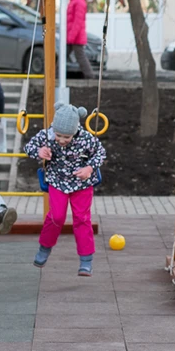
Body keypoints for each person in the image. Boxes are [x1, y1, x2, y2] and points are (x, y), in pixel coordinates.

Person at [25, 102, 107, 276]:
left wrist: (89, 169)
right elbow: (29, 147)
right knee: (57, 216)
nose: (61, 140)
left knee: (82, 218)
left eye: (66, 137)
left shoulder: (86, 138)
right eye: (58, 135)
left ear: (75, 130)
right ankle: (44, 248)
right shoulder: (47, 135)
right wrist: (39, 152)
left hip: (82, 183)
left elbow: (100, 153)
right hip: (57, 181)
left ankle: (86, 260)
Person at [67, 0, 96, 80]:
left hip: (75, 36)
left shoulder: (78, 2)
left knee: (80, 57)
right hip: (72, 36)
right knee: (67, 55)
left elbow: (77, 22)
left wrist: (71, 36)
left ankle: (90, 76)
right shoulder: (74, 1)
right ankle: (55, 73)